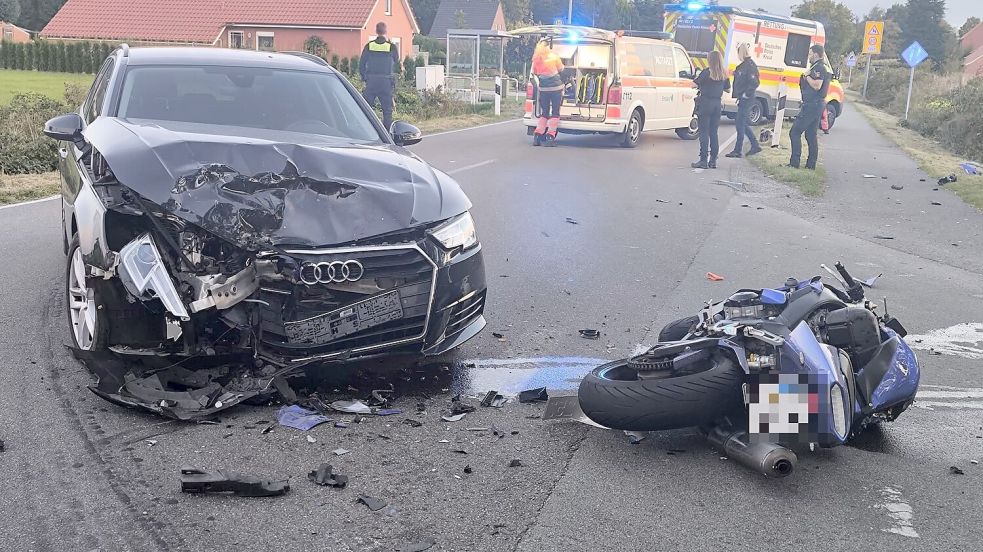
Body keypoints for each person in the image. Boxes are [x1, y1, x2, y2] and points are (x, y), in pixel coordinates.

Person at [789, 44, 832, 169]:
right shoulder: (817, 67)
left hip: (812, 105)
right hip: (815, 105)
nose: (808, 55)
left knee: (795, 132)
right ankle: (810, 164)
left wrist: (807, 76)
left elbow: (817, 85)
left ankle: (794, 162)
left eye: (810, 53)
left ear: (815, 54)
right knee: (810, 135)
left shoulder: (819, 68)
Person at [691, 51, 730, 169]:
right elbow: (728, 89)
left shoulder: (706, 72)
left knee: (704, 132)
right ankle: (713, 160)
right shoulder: (723, 74)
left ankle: (703, 160)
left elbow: (693, 84)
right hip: (717, 104)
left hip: (705, 103)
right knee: (714, 133)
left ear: (710, 60)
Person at [359, 22, 400, 130]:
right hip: (386, 82)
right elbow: (397, 61)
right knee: (387, 111)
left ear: (376, 31)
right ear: (385, 31)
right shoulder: (391, 47)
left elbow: (361, 64)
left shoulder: (369, 46)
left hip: (371, 82)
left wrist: (364, 78)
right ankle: (386, 134)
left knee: (366, 109)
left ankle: (366, 130)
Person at [725, 44, 762, 158]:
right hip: (743, 98)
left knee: (740, 124)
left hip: (747, 98)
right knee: (741, 123)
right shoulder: (744, 65)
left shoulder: (749, 65)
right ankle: (754, 145)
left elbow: (755, 82)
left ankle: (739, 150)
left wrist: (746, 94)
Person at [531, 40, 565, 146]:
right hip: (556, 88)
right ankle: (550, 136)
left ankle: (537, 135)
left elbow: (535, 73)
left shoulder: (536, 59)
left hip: (543, 89)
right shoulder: (554, 56)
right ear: (548, 47)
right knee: (555, 113)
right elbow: (561, 69)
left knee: (544, 113)